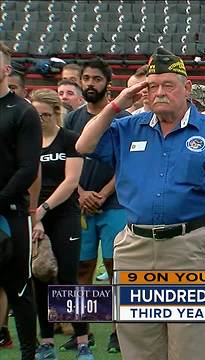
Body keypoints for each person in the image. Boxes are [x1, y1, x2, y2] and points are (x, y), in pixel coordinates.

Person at [75, 46, 205, 360]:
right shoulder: (128, 127)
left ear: (186, 89)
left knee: (189, 348)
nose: (159, 92)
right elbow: (83, 143)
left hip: (190, 246)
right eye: (152, 86)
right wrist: (118, 103)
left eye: (168, 85)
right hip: (135, 248)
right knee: (139, 346)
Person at [63, 58, 130, 353]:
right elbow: (66, 161)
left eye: (96, 79)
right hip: (79, 205)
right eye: (86, 78)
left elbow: (127, 165)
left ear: (108, 83)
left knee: (118, 271)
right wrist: (80, 193)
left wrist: (101, 193)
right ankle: (82, 334)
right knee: (82, 268)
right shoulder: (72, 119)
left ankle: (119, 333)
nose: (90, 84)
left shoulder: (123, 118)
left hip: (114, 203)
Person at [28, 89, 93, 360]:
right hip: (34, 216)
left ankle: (82, 342)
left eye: (45, 114)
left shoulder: (69, 140)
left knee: (68, 278)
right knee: (40, 277)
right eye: (35, 114)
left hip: (63, 214)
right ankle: (46, 341)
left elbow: (70, 182)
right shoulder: (27, 141)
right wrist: (35, 218)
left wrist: (43, 210)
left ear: (56, 113)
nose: (40, 119)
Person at [0, 40, 40, 360]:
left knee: (19, 289)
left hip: (11, 214)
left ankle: (30, 352)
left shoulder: (23, 111)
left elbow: (28, 167)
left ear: (6, 70)